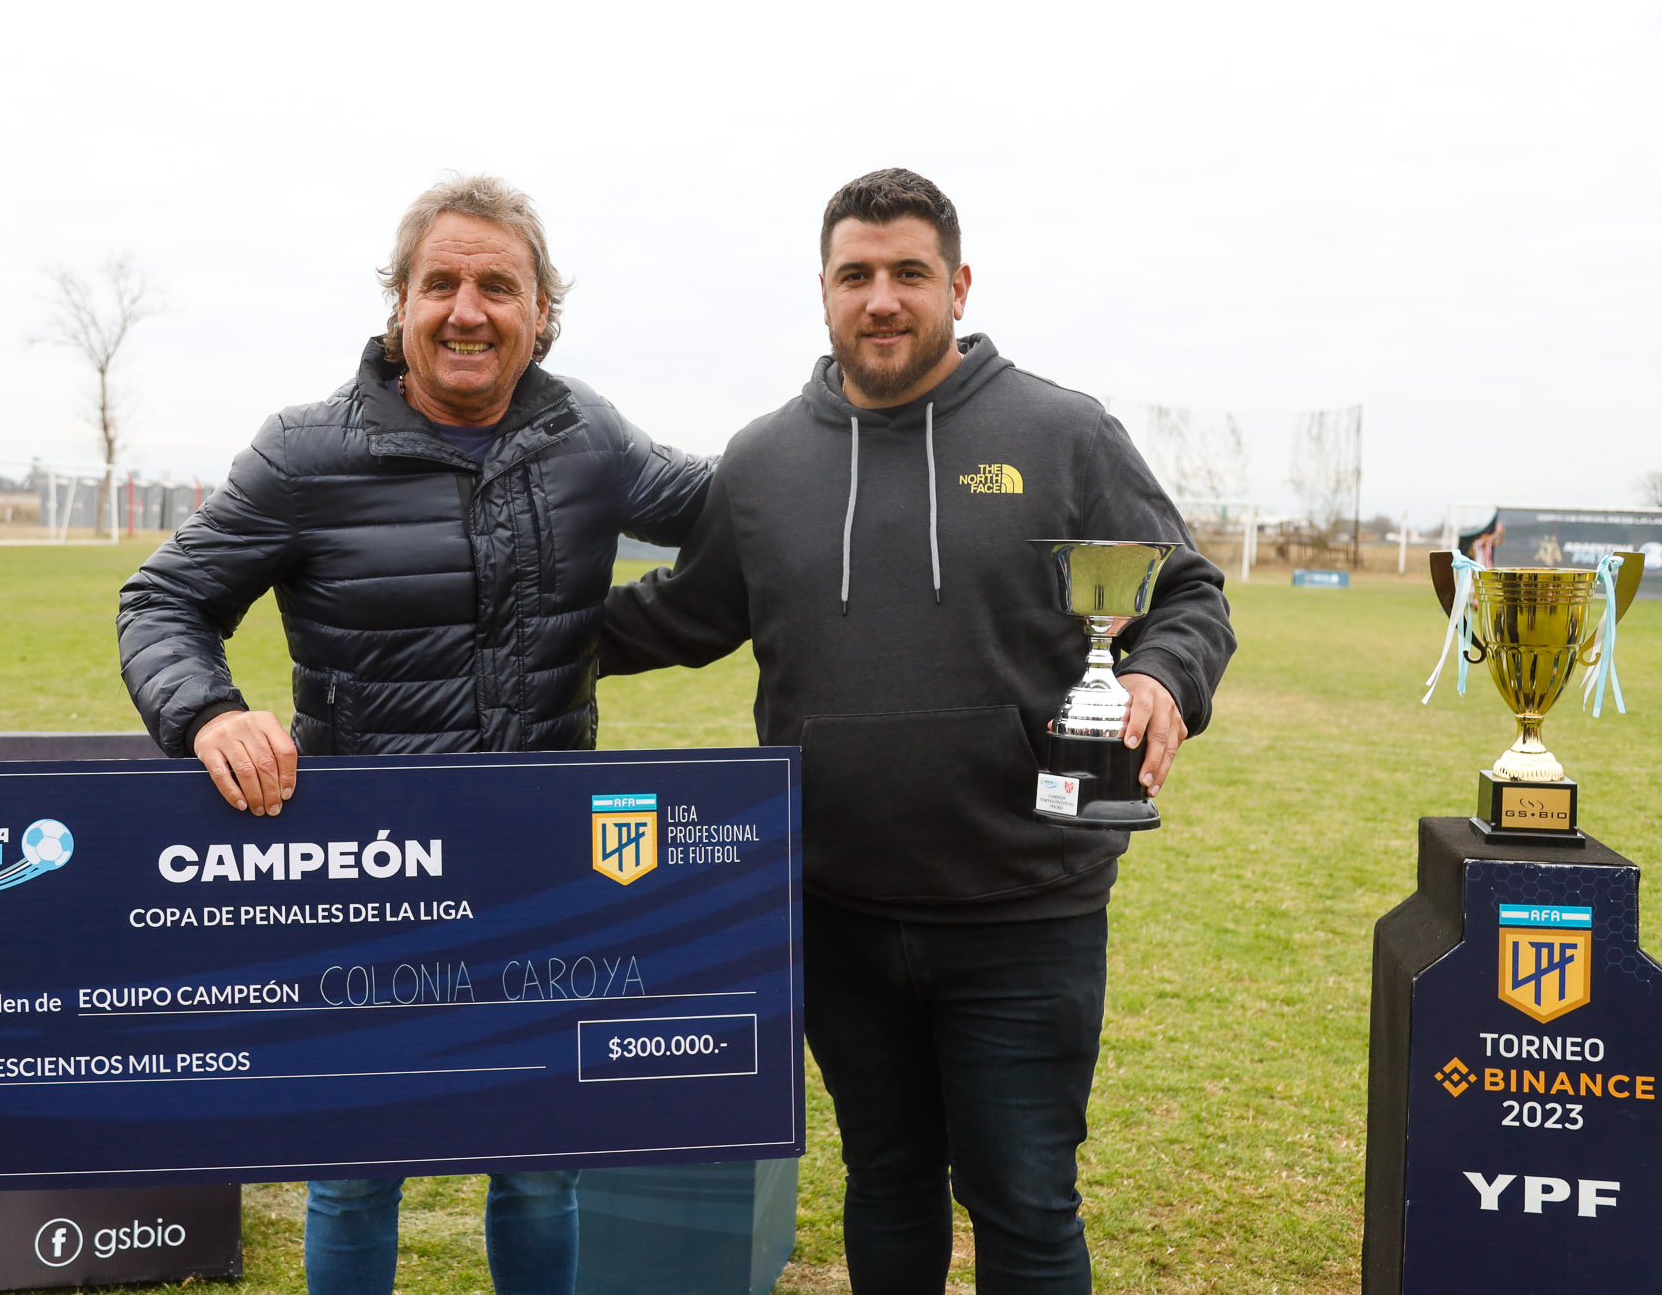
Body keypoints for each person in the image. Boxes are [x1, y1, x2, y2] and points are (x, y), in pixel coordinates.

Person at [598, 168, 1236, 1294]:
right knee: (885, 1178)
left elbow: (1184, 592)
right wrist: (487, 632)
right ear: (823, 290)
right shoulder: (762, 460)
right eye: (856, 275)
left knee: (1024, 1201)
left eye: (908, 273)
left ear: (958, 285)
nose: (881, 298)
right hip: (834, 906)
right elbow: (682, 614)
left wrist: (1159, 678)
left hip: (1024, 908)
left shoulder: (1062, 432)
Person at [116, 174, 711, 1295]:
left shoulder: (587, 433)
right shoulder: (303, 452)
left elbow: (736, 512)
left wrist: (842, 439)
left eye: (498, 286)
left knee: (539, 1168)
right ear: (400, 303)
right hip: (367, 882)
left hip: (543, 871)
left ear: (541, 310)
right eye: (440, 283)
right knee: (355, 1172)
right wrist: (208, 711)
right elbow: (163, 599)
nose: (466, 310)